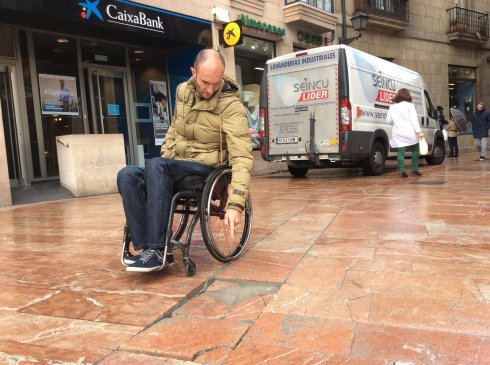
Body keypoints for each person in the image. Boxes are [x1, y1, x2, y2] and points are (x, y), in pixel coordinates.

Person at [117, 49, 253, 272]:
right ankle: (145, 247)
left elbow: (242, 156)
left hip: (207, 172)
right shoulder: (183, 91)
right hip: (177, 165)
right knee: (127, 175)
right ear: (193, 72)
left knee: (157, 166)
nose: (210, 89)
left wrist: (237, 203)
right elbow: (174, 128)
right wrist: (166, 152)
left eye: (216, 83)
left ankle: (159, 249)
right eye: (205, 82)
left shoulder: (231, 106)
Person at [386, 88, 424, 178]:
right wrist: (419, 132)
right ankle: (414, 170)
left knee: (401, 152)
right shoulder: (410, 106)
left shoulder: (392, 107)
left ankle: (402, 171)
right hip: (410, 132)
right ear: (407, 95)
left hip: (398, 132)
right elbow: (414, 120)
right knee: (415, 150)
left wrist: (395, 124)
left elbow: (388, 120)